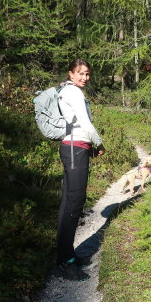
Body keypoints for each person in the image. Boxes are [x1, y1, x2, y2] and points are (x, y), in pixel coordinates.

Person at [55, 58, 105, 281]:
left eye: (87, 74)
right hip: (75, 149)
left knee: (70, 202)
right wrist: (100, 143)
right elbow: (84, 122)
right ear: (71, 74)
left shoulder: (70, 91)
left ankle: (68, 255)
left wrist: (89, 145)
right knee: (74, 202)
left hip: (76, 147)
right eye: (80, 73)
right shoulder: (73, 92)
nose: (85, 77)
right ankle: (65, 262)